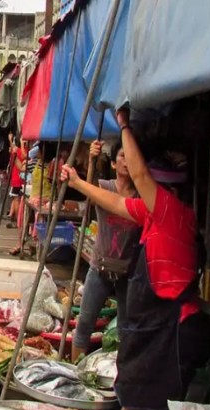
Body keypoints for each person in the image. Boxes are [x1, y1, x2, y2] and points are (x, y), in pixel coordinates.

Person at [60, 109, 210, 410]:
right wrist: (78, 182)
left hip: (170, 334)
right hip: (155, 332)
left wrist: (123, 125)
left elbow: (141, 176)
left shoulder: (172, 213)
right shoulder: (153, 215)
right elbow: (115, 203)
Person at [71, 140, 141, 362]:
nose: (126, 161)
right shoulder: (105, 187)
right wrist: (91, 159)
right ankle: (74, 370)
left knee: (125, 330)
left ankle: (118, 376)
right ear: (112, 164)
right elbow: (88, 189)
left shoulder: (142, 196)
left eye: (130, 157)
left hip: (128, 273)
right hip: (100, 268)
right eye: (121, 157)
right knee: (84, 325)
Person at [5, 133, 26, 229]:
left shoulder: (16, 151)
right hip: (19, 179)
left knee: (16, 199)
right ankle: (17, 220)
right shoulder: (23, 151)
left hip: (17, 179)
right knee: (17, 199)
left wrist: (11, 140)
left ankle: (17, 220)